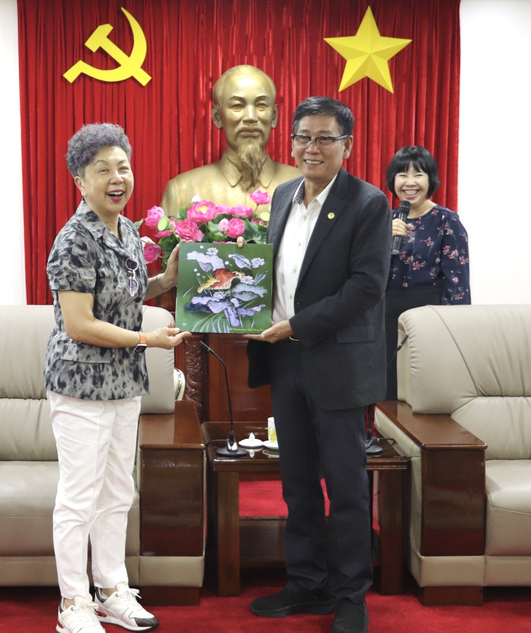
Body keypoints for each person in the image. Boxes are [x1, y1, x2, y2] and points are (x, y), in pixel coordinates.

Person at [246, 97, 391, 633]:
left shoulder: (368, 202)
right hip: (285, 361)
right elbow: (272, 272)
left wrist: (297, 324)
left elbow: (366, 287)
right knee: (297, 482)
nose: (312, 146)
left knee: (346, 486)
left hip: (338, 365)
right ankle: (307, 585)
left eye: (325, 138)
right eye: (303, 136)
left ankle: (351, 594)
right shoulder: (284, 195)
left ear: (346, 146)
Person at [44, 123, 189, 633]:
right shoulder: (73, 240)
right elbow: (81, 322)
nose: (116, 177)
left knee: (118, 492)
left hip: (123, 383)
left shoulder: (126, 230)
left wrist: (165, 281)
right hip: (80, 386)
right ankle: (74, 603)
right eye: (101, 169)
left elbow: (122, 297)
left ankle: (111, 590)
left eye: (122, 166)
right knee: (79, 496)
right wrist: (147, 341)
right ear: (80, 181)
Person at [384, 146, 470, 399]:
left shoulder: (446, 220)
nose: (409, 182)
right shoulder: (386, 220)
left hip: (429, 314)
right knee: (389, 387)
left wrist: (455, 327)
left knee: (424, 388)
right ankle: (387, 438)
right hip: (387, 315)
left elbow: (458, 282)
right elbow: (368, 275)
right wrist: (383, 242)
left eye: (418, 174)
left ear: (430, 179)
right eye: (402, 174)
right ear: (393, 180)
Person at [160, 65, 300, 214]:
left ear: (274, 116)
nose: (251, 117)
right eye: (237, 106)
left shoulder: (305, 187)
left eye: (261, 105)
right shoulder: (182, 192)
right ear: (217, 117)